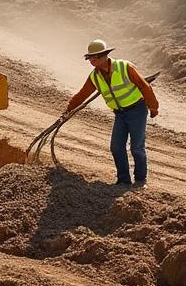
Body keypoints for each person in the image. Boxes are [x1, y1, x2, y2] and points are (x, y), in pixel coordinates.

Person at [63, 39, 159, 186]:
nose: (92, 61)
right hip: (120, 114)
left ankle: (140, 180)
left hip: (137, 110)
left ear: (105, 55)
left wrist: (153, 107)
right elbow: (82, 95)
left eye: (95, 57)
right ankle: (123, 181)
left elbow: (144, 86)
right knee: (116, 147)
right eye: (90, 58)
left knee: (136, 147)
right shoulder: (95, 76)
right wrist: (68, 110)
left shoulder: (124, 67)